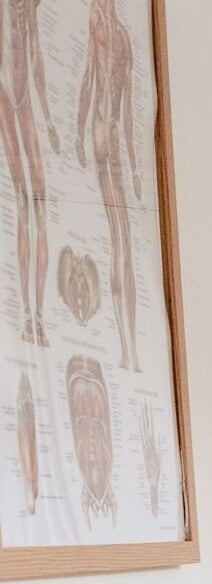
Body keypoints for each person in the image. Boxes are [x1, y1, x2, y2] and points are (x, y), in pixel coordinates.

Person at [75, 0, 141, 372]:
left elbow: (94, 84)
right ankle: (127, 348)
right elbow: (94, 85)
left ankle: (128, 348)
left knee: (124, 244)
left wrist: (133, 163)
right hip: (108, 136)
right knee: (122, 244)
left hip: (106, 135)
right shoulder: (112, 31)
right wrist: (77, 133)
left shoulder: (108, 31)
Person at [0, 0, 57, 347]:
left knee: (40, 206)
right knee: (24, 203)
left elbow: (35, 61)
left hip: (24, 108)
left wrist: (49, 119)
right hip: (7, 103)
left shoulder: (30, 10)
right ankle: (26, 316)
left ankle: (38, 317)